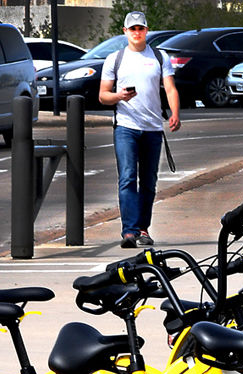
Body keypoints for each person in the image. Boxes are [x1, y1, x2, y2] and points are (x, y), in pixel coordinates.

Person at [99, 11, 181, 248]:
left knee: (148, 182)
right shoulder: (115, 58)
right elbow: (103, 96)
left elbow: (170, 89)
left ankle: (143, 229)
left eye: (140, 29)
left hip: (153, 128)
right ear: (125, 32)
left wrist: (175, 113)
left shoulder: (159, 56)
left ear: (146, 31)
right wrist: (119, 96)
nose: (137, 33)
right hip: (126, 127)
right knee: (127, 178)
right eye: (132, 29)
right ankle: (129, 232)